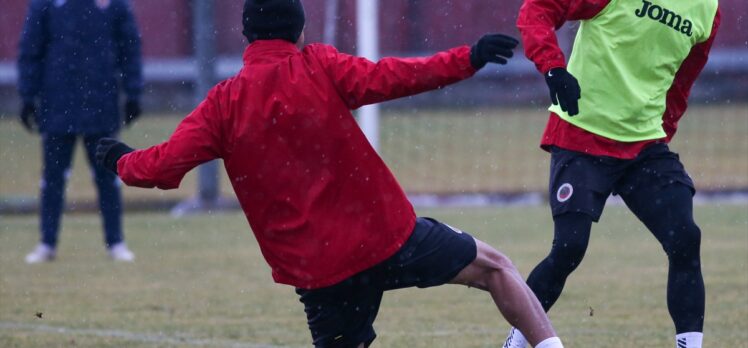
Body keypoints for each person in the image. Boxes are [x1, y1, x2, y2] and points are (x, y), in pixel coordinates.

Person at [95, 0, 565, 346]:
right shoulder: (319, 64)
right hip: (384, 239)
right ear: (300, 32)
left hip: (319, 272)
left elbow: (157, 168)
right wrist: (468, 58)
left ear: (245, 38)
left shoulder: (223, 104)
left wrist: (119, 157)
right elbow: (395, 76)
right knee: (498, 268)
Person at [500, 0, 721, 347]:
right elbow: (536, 10)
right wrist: (553, 68)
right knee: (569, 249)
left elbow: (681, 83)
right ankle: (517, 342)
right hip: (580, 137)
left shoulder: (708, 9)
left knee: (685, 239)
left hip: (645, 146)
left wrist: (660, 133)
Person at [18, 0, 143, 263]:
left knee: (108, 176)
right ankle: (47, 243)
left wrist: (134, 91)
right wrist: (27, 95)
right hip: (57, 103)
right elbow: (31, 48)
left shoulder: (113, 4)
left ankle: (116, 242)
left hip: (100, 103)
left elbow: (130, 47)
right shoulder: (46, 4)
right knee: (53, 178)